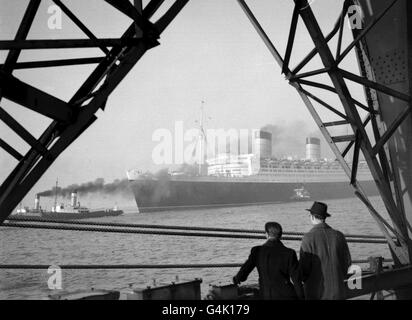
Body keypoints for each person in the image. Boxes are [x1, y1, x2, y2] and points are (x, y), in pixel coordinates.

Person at [233, 222, 304, 300]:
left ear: (266, 234)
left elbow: (246, 268)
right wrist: (301, 297)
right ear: (281, 235)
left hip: (266, 294)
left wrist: (238, 278)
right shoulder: (289, 253)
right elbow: (296, 279)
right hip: (287, 294)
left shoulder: (257, 251)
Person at [299, 201, 352, 300]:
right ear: (325, 217)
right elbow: (347, 262)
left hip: (317, 293)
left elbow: (304, 268)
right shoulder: (339, 235)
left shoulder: (308, 238)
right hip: (339, 291)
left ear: (312, 217)